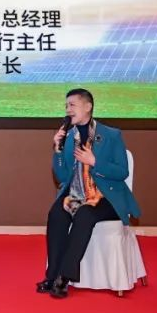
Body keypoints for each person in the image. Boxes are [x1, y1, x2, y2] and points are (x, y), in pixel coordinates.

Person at [37, 88, 140, 298]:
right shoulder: (69, 137)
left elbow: (122, 171)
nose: (68, 110)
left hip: (105, 197)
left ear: (88, 107)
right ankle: (52, 275)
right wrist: (58, 150)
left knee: (85, 214)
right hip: (77, 194)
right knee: (56, 214)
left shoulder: (111, 135)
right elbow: (62, 177)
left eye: (72, 105)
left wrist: (94, 162)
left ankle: (64, 277)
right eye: (66, 106)